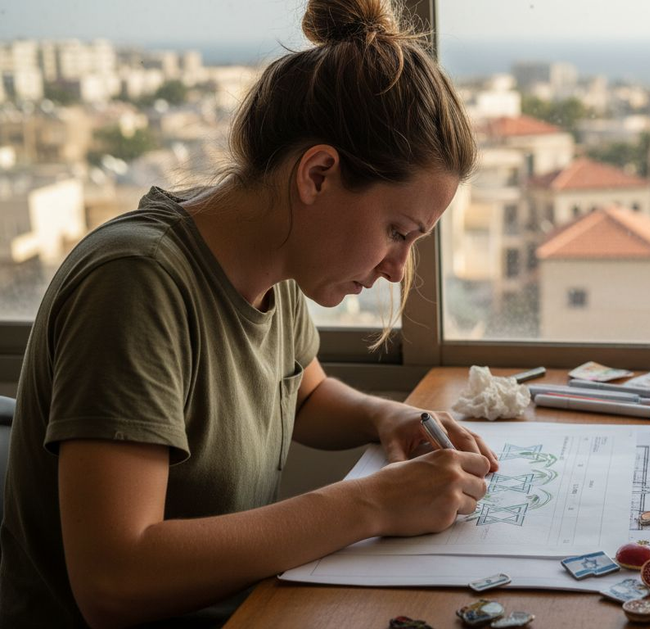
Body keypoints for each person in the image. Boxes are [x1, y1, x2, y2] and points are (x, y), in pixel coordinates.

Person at [0, 1, 498, 626]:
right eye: (397, 232)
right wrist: (370, 504)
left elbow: (303, 395)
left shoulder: (278, 264)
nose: (398, 269)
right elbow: (113, 580)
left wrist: (387, 417)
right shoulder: (135, 283)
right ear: (318, 174)